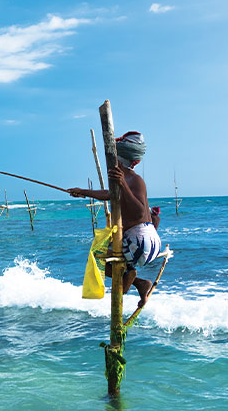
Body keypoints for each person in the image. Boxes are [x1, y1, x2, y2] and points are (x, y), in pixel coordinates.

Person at [69, 131, 161, 308]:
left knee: (99, 258)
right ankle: (139, 282)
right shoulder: (124, 179)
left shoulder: (134, 180)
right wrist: (83, 192)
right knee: (102, 259)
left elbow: (139, 212)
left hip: (139, 241)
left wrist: (123, 185)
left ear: (120, 158)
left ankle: (131, 275)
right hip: (144, 242)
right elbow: (110, 194)